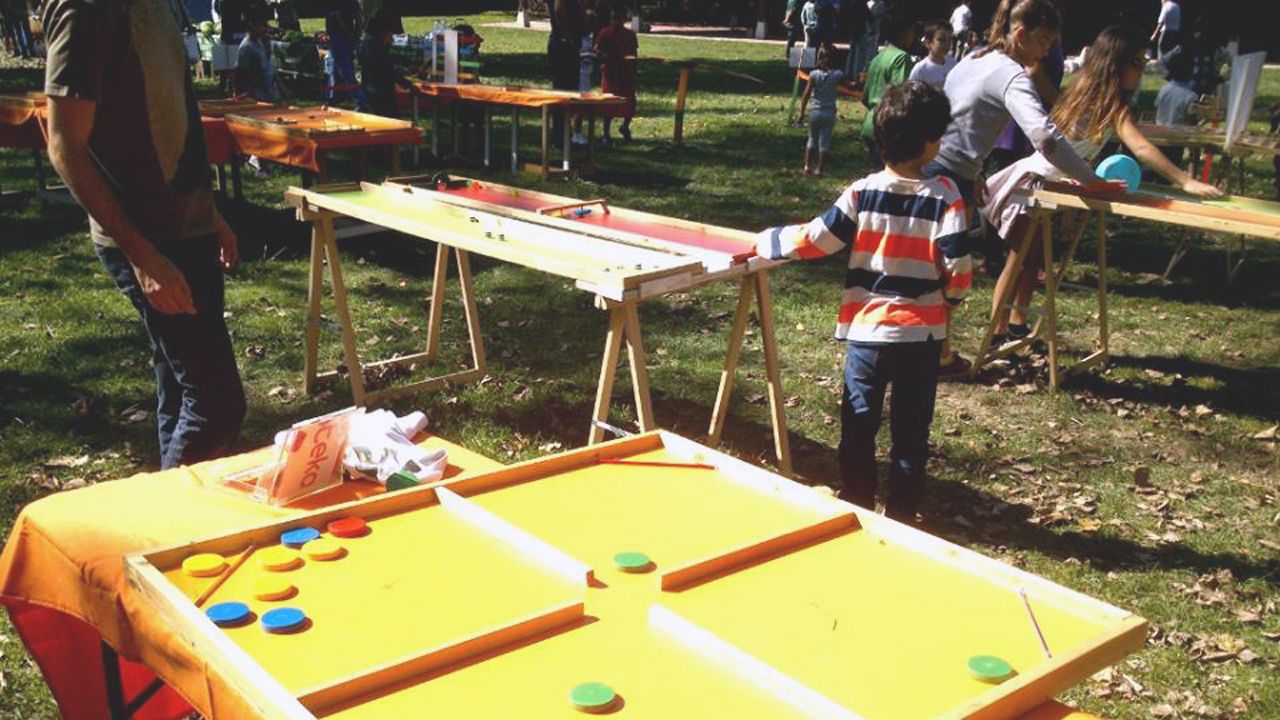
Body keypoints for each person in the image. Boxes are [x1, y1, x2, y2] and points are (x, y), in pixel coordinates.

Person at [42, 0, 247, 469]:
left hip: (188, 225)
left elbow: (171, 115)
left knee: (182, 391)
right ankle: (170, 526)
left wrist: (210, 212)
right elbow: (64, 146)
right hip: (150, 239)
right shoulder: (84, 11)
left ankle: (176, 529)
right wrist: (143, 257)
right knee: (217, 406)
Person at [756, 81, 970, 522]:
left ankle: (857, 502)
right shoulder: (946, 196)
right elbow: (959, 271)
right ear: (931, 143)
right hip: (922, 337)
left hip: (868, 333)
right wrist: (951, 296)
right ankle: (902, 512)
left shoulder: (862, 191)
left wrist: (770, 241)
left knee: (858, 423)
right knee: (912, 431)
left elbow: (817, 239)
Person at [981, 25, 1222, 346]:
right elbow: (1141, 148)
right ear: (1115, 63)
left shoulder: (1084, 89)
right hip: (1034, 183)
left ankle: (1016, 325)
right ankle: (994, 336)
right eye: (1136, 63)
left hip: (1046, 181)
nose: (1141, 70)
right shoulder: (1111, 104)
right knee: (1018, 259)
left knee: (1032, 259)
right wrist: (1186, 180)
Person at [925, 0, 1109, 374]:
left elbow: (951, 113)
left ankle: (931, 352)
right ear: (1021, 34)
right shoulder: (1011, 74)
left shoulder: (975, 57)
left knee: (930, 266)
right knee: (946, 272)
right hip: (949, 177)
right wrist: (1090, 180)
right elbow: (1044, 135)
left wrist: (973, 169)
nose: (1046, 52)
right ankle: (937, 357)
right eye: (1043, 42)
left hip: (933, 165)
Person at [859, 9, 916, 170]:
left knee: (878, 171)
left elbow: (865, 96)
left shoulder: (878, 58)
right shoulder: (901, 57)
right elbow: (902, 97)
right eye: (911, 32)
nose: (913, 37)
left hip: (870, 123)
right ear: (902, 33)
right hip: (888, 126)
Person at [594, 1, 637, 144]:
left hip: (625, 73)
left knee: (630, 103)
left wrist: (634, 68)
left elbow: (634, 53)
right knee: (609, 103)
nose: (616, 22)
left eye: (619, 18)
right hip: (610, 73)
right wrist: (604, 57)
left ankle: (625, 127)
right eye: (614, 18)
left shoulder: (630, 35)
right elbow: (598, 52)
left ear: (624, 19)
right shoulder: (605, 33)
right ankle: (606, 134)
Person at [798, 46, 844, 175]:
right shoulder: (838, 75)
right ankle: (820, 169)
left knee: (812, 139)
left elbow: (806, 94)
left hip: (815, 111)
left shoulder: (813, 75)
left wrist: (802, 112)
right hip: (829, 112)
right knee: (825, 141)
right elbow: (851, 85)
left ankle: (807, 166)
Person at [358, 11, 412, 118]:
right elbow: (389, 72)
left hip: (368, 90)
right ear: (383, 32)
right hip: (382, 96)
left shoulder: (365, 44)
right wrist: (408, 84)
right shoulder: (379, 48)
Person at [548, 0, 584, 147]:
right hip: (563, 45)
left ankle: (564, 135)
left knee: (570, 92)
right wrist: (567, 37)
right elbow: (558, 10)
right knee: (563, 91)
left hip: (569, 43)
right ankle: (559, 137)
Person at [235, 8, 288, 103]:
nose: (266, 29)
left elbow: (270, 67)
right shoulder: (247, 48)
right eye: (263, 25)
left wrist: (281, 87)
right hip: (256, 96)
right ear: (252, 26)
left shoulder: (260, 42)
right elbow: (240, 72)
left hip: (269, 94)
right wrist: (240, 93)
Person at [325, 9, 366, 107]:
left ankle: (361, 101)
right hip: (338, 37)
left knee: (345, 71)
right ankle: (332, 97)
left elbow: (356, 17)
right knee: (334, 69)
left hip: (340, 37)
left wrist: (351, 35)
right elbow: (359, 17)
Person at [909, 21, 957, 89]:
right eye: (941, 40)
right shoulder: (921, 70)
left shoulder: (953, 64)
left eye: (949, 40)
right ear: (928, 43)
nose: (947, 44)